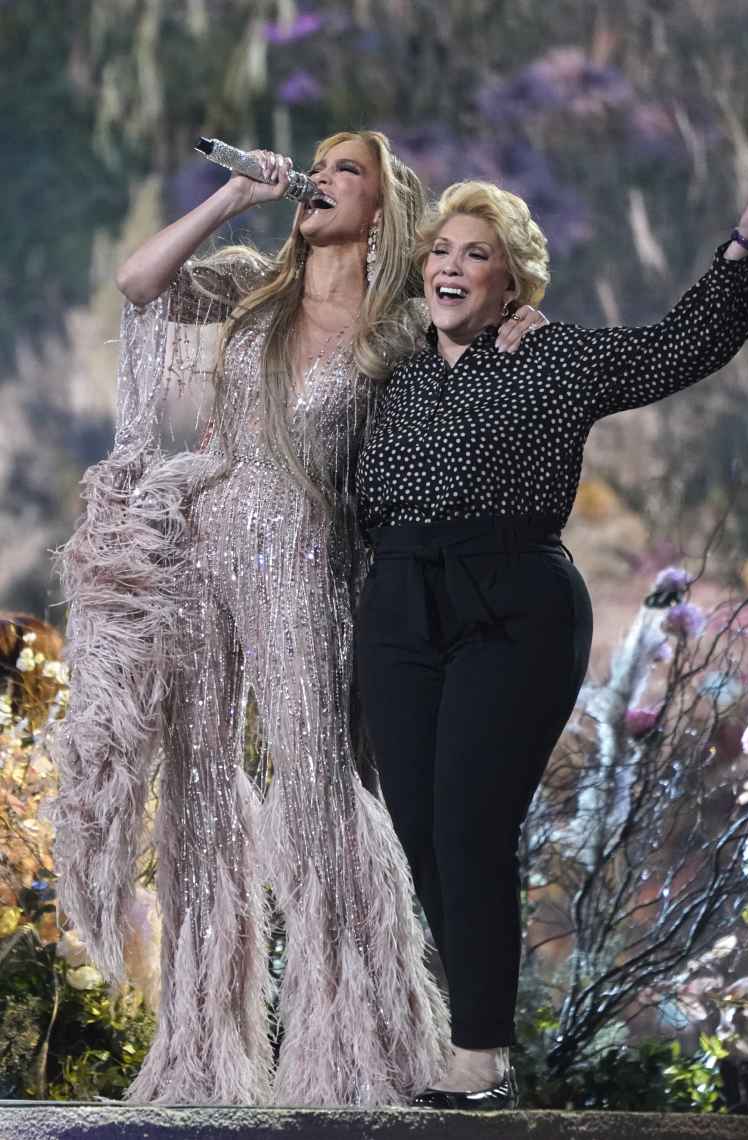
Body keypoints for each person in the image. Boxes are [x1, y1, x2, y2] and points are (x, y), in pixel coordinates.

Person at [51, 128, 544, 1107]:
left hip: (305, 571)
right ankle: (201, 1053)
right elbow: (140, 282)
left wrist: (519, 326)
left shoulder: (401, 327)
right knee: (201, 808)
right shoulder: (248, 285)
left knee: (317, 797)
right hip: (201, 556)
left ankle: (358, 1046)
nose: (320, 177)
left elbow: (482, 331)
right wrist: (231, 200)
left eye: (346, 169)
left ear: (382, 206)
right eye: (316, 163)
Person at [354, 155, 748, 1108]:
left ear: (509, 281)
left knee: (468, 823)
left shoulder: (552, 355)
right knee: (419, 833)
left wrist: (744, 237)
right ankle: (455, 1025)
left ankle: (478, 1051)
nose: (449, 266)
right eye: (438, 250)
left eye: (474, 255)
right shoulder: (386, 366)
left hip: (513, 604)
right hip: (399, 600)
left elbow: (677, 345)